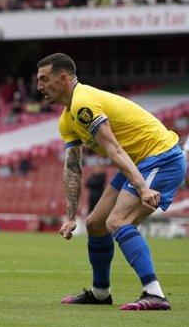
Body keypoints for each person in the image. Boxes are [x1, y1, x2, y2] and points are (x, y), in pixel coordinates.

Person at [36, 53, 185, 310]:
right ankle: (100, 293)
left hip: (161, 157)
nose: (39, 87)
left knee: (117, 221)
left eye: (44, 79)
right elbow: (72, 167)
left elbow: (114, 149)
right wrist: (71, 216)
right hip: (139, 161)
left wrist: (143, 188)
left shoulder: (84, 103)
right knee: (95, 224)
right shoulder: (67, 118)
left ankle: (155, 294)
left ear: (62, 78)